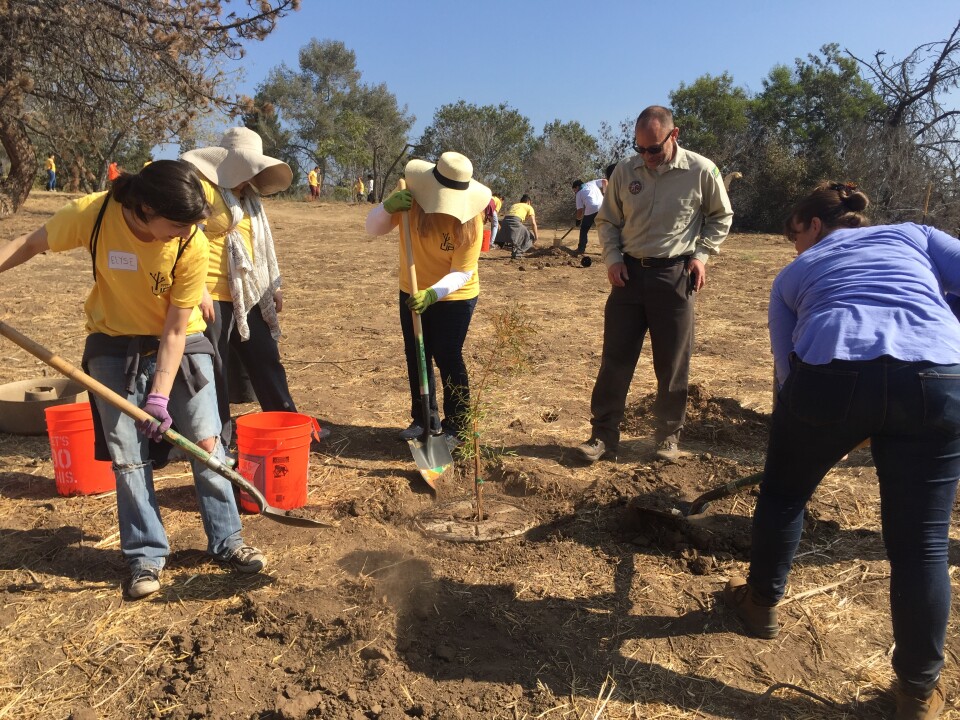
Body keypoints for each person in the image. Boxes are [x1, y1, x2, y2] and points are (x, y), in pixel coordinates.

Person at [723, 182, 960, 720]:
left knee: (784, 494)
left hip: (831, 376)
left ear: (811, 224)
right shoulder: (914, 237)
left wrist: (827, 425)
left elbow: (787, 375)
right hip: (938, 378)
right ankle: (917, 694)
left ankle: (760, 604)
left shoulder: (791, 276)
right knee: (922, 544)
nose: (795, 248)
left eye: (794, 236)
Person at [0, 160, 265, 599]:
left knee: (206, 443)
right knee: (128, 455)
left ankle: (228, 541)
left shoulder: (191, 242)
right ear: (143, 208)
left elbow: (176, 331)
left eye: (191, 226)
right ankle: (145, 555)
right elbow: (28, 244)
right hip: (112, 343)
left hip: (181, 343)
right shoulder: (95, 214)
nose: (186, 233)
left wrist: (159, 396)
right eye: (178, 225)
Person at [577, 105, 732, 463]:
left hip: (675, 276)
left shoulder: (701, 170)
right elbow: (608, 221)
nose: (646, 157)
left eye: (653, 149)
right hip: (628, 277)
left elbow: (720, 216)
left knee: (673, 361)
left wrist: (702, 255)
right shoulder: (624, 172)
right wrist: (613, 259)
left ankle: (667, 438)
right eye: (640, 148)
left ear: (673, 136)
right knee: (615, 359)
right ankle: (602, 437)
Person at [181, 127, 319, 449]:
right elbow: (183, 239)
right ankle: (219, 442)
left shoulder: (250, 197)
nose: (252, 175)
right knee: (215, 369)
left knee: (266, 357)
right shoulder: (201, 189)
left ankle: (288, 423)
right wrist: (197, 288)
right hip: (212, 295)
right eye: (249, 167)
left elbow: (260, 243)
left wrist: (273, 286)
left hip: (249, 294)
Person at [365, 152, 491, 445]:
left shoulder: (472, 221)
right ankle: (424, 418)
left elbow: (462, 272)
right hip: (411, 289)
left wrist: (434, 293)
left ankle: (457, 427)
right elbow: (372, 228)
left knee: (447, 355)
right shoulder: (410, 198)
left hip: (455, 296)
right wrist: (386, 208)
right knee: (417, 353)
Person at [497, 194, 538, 259]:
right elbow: (533, 223)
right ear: (528, 202)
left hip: (505, 221)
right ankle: (518, 254)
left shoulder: (514, 205)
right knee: (531, 238)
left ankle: (515, 252)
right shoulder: (529, 207)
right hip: (515, 221)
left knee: (519, 235)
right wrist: (536, 236)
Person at [571, 178, 605, 255]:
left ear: (577, 187)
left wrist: (578, 220)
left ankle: (581, 249)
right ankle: (614, 249)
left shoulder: (579, 193)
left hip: (592, 208)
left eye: (574, 190)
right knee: (605, 228)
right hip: (603, 207)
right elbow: (605, 181)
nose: (575, 192)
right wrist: (605, 193)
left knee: (584, 229)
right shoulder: (592, 183)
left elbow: (580, 211)